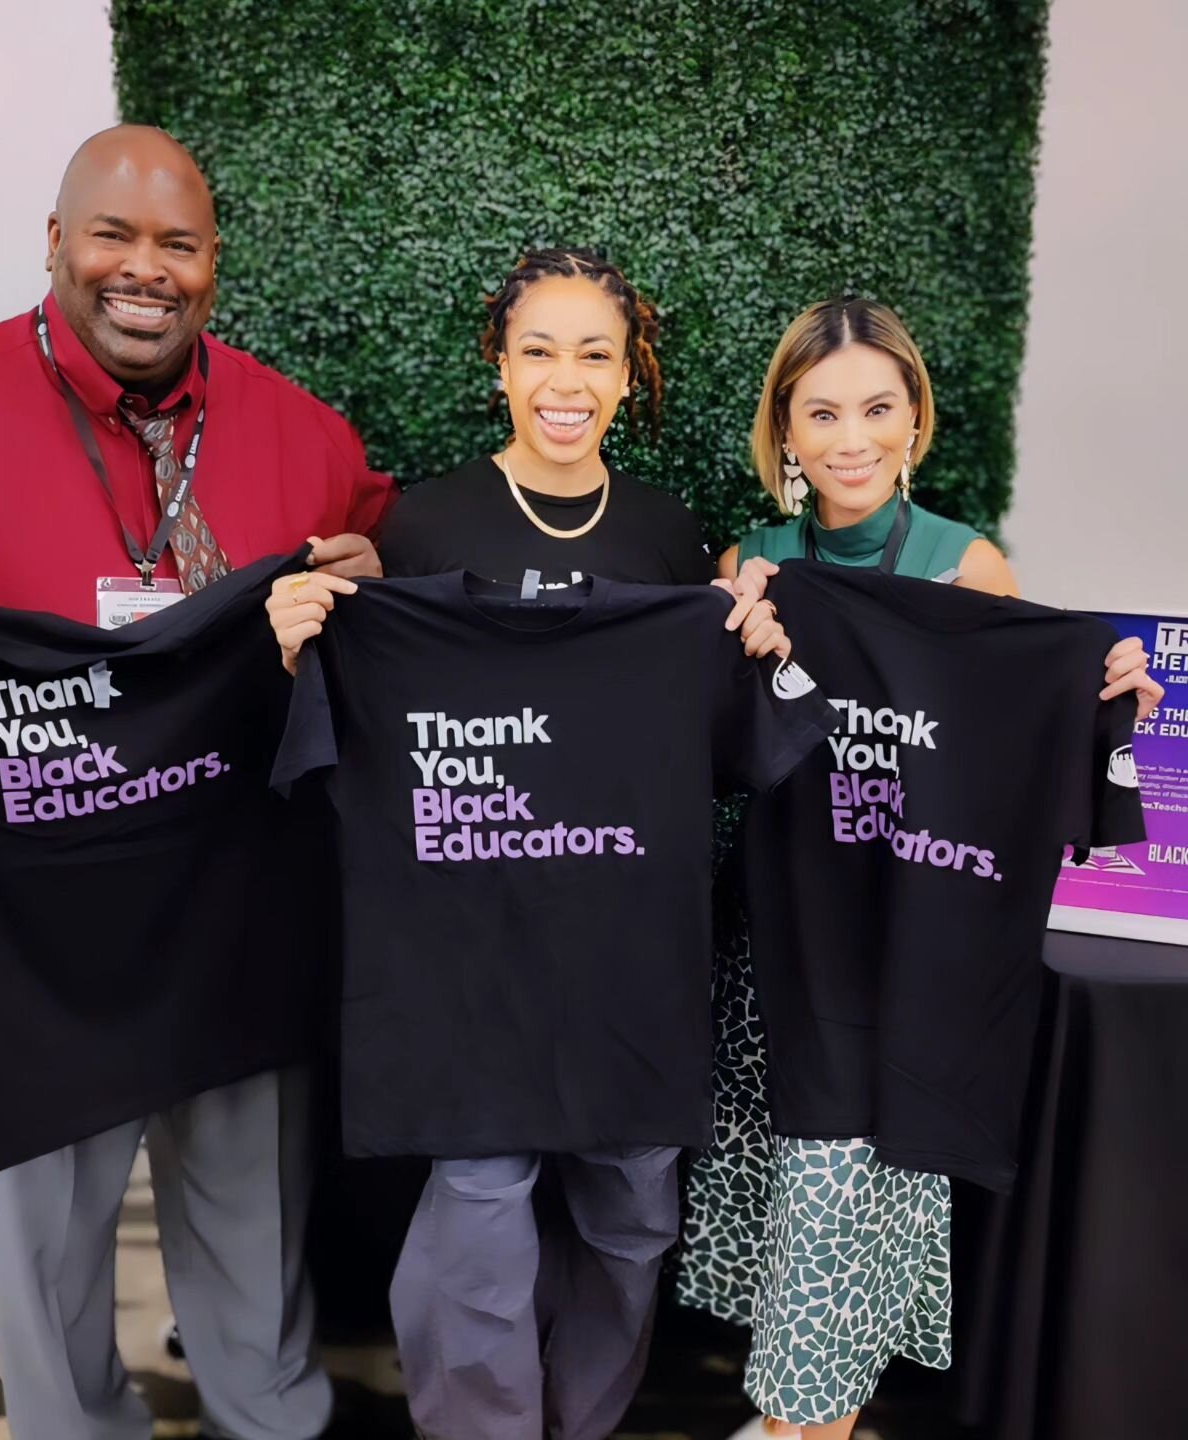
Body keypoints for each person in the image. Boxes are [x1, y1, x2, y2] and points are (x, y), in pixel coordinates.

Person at [0, 125, 394, 1440]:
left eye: (178, 245)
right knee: (44, 1272)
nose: (142, 268)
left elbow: (373, 550)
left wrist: (367, 591)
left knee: (255, 1250)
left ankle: (269, 1417)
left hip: (239, 922)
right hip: (33, 949)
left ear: (215, 265)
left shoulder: (301, 434)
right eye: (112, 234)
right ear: (56, 244)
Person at [267, 248, 789, 1440]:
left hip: (631, 952)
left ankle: (586, 1422)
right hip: (471, 957)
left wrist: (752, 648)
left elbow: (708, 738)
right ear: (499, 366)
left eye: (594, 353)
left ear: (628, 374)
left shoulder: (665, 536)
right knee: (481, 1217)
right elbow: (365, 718)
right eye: (539, 350)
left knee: (633, 1214)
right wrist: (302, 640)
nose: (567, 378)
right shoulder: (425, 525)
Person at [682, 296, 1162, 1440]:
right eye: (823, 413)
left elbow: (1015, 715)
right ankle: (803, 1421)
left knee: (851, 1195)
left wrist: (1103, 693)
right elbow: (701, 746)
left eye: (877, 409)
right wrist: (726, 645)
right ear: (785, 436)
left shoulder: (967, 566)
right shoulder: (754, 563)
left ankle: (807, 1423)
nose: (852, 438)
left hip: (909, 946)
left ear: (915, 421)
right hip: (780, 936)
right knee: (797, 1210)